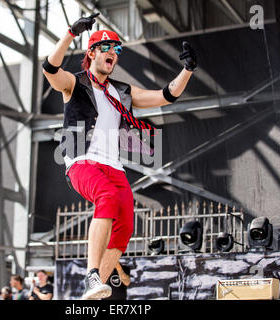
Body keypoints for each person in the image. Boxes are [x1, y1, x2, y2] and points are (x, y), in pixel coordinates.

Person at [42, 13, 196, 299]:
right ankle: (91, 274)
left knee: (125, 226)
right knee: (107, 198)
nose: (113, 53)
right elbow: (50, 68)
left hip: (113, 166)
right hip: (82, 161)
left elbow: (166, 96)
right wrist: (70, 33)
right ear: (91, 53)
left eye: (117, 49)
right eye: (106, 48)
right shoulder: (75, 84)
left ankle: (96, 288)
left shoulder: (122, 91)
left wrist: (187, 70)